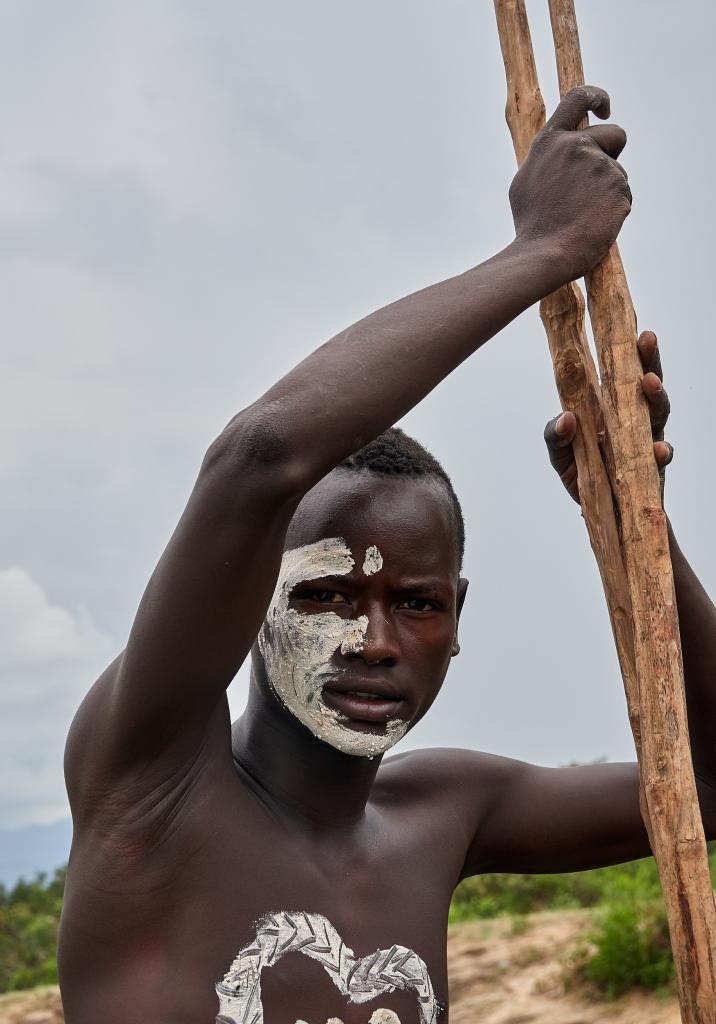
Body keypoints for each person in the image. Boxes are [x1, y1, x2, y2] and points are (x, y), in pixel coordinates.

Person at [58, 86, 716, 1024]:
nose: (375, 639)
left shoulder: (444, 814)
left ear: (457, 621)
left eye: (416, 603)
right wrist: (544, 254)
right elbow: (258, 458)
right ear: (251, 603)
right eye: (327, 595)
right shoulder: (156, 780)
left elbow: (708, 790)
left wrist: (637, 534)